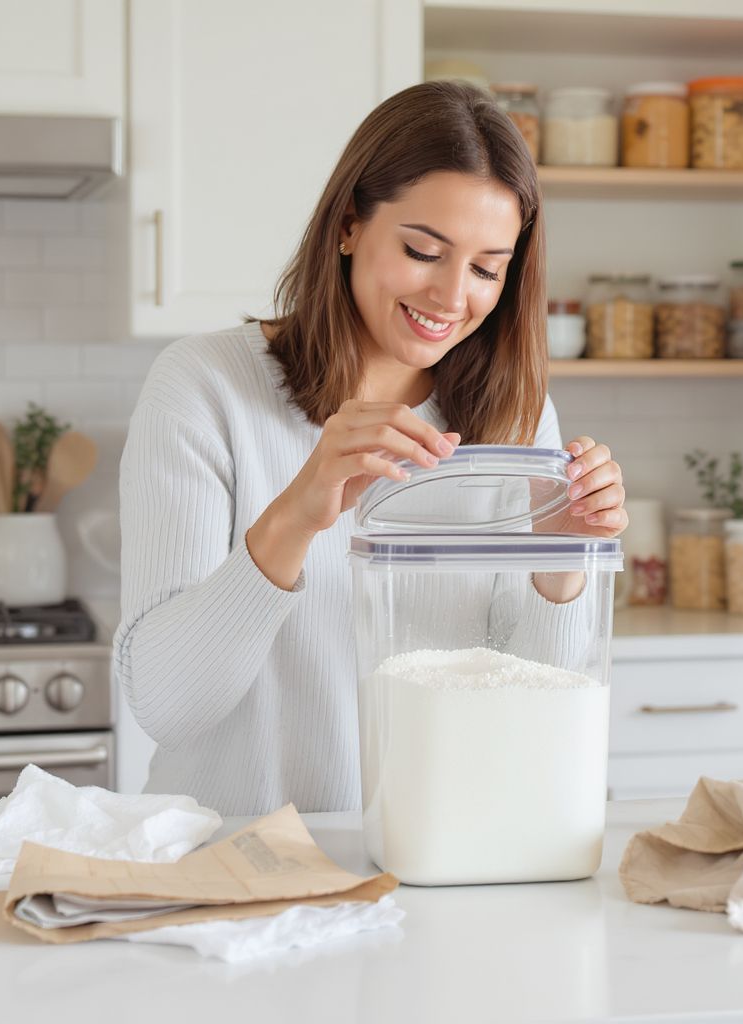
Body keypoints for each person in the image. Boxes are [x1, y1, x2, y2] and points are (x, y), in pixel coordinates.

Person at [113, 81, 627, 815]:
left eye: (487, 268)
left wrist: (560, 565)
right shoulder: (205, 386)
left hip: (436, 867)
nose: (453, 297)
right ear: (349, 224)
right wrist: (296, 514)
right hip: (233, 874)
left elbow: (528, 708)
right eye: (424, 251)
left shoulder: (515, 416)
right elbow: (167, 705)